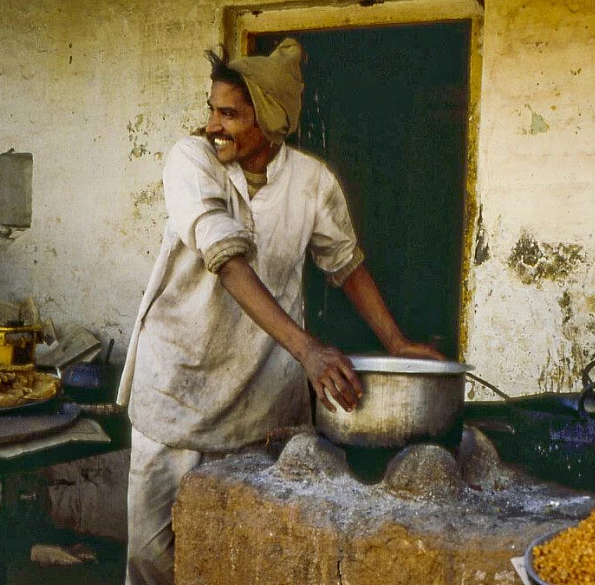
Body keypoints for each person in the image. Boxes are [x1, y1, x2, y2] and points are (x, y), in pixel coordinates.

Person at [116, 38, 444, 585]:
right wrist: (309, 349)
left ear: (271, 122)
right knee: (152, 560)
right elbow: (226, 257)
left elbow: (345, 265)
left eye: (229, 114)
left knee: (242, 559)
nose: (212, 125)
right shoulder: (190, 160)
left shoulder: (313, 183)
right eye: (212, 109)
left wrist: (395, 342)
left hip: (260, 406)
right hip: (176, 391)